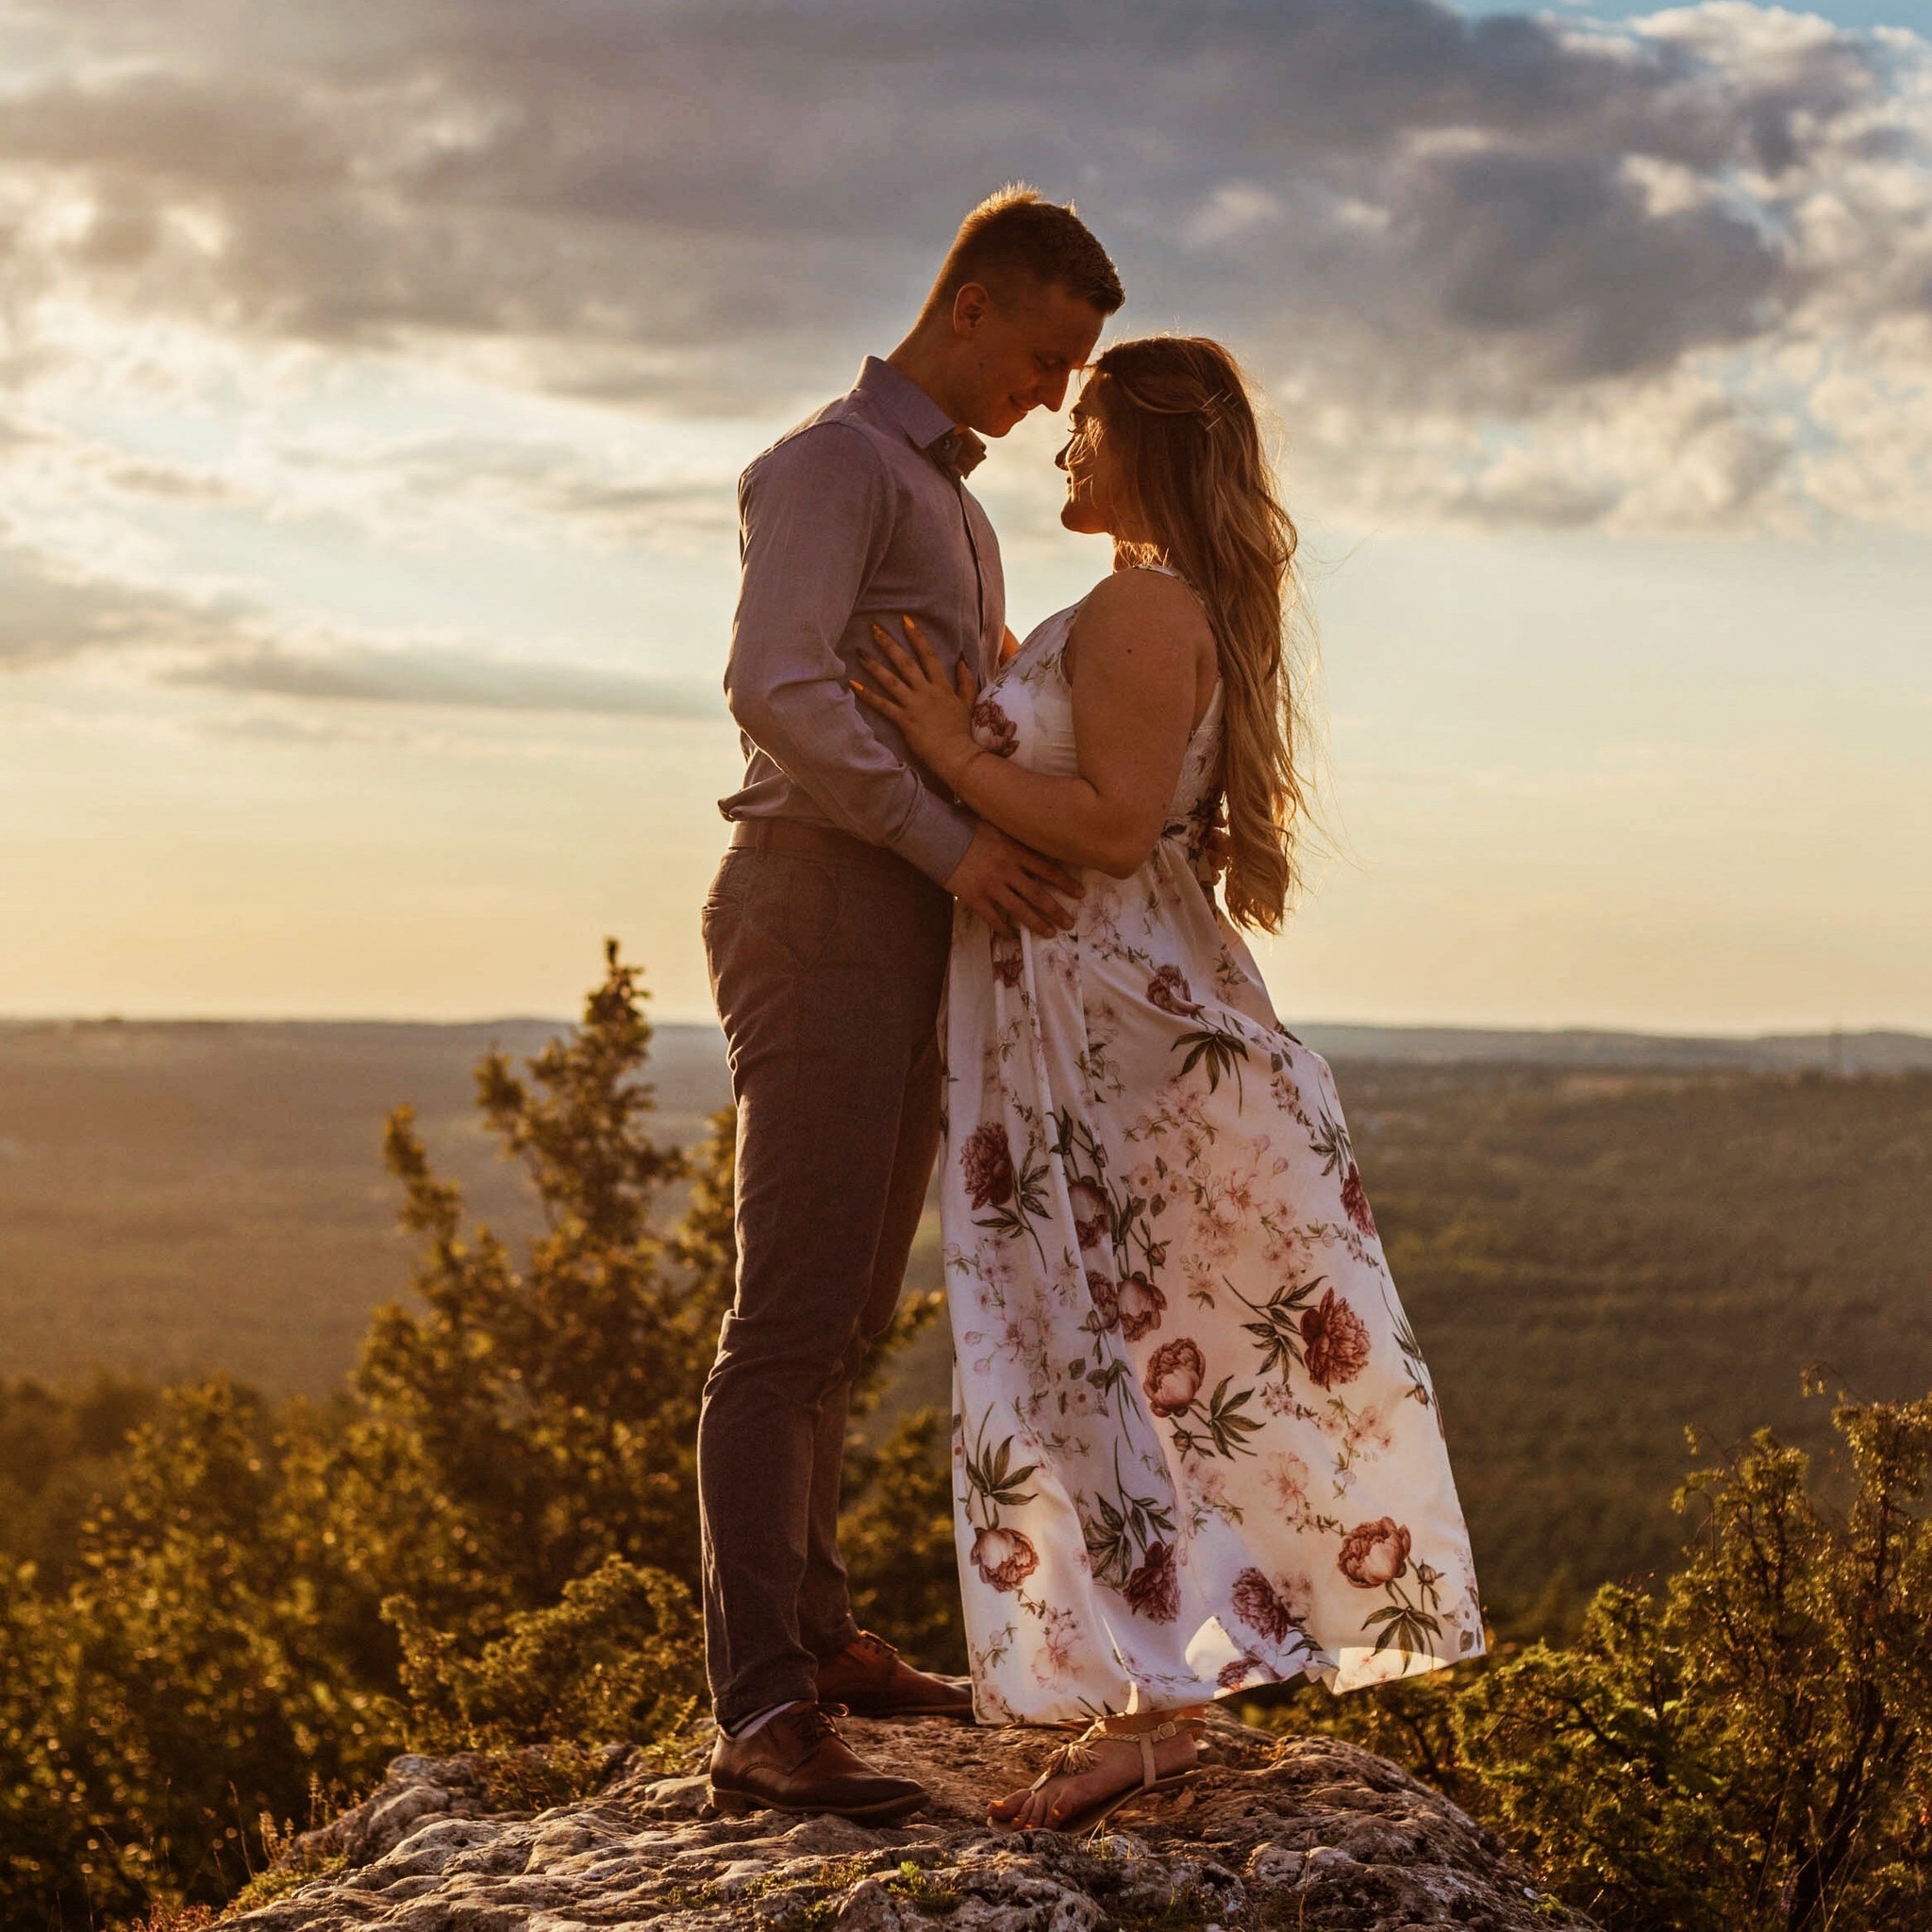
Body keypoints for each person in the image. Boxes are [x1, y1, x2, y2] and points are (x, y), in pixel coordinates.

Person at [854, 334, 1485, 1834]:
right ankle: (1154, 1696)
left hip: (1119, 1031)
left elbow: (1117, 825)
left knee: (1108, 1353)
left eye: (1084, 422)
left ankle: (1152, 1707)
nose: (1063, 445)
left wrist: (947, 744)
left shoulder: (1143, 606)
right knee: (1111, 1358)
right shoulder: (1147, 597)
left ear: (1140, 440)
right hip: (1093, 1023)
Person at [699, 187, 1124, 1824]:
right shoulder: (833, 465)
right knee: (784, 1322)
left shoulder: (959, 508)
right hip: (819, 899)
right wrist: (953, 841)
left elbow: (964, 701)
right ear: (969, 313)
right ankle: (763, 1712)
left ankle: (819, 1637)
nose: (1053, 391)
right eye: (1044, 352)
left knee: (849, 1313)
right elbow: (777, 685)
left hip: (902, 911)